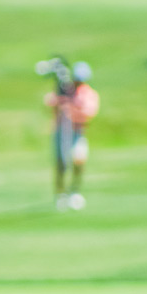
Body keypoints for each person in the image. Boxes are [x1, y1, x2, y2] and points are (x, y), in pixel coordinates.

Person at [43, 60, 100, 210]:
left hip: (78, 132)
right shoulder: (65, 91)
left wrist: (71, 108)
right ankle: (60, 194)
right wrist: (60, 101)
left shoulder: (88, 94)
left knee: (78, 162)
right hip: (61, 132)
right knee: (61, 164)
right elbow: (49, 103)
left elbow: (88, 113)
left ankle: (74, 192)